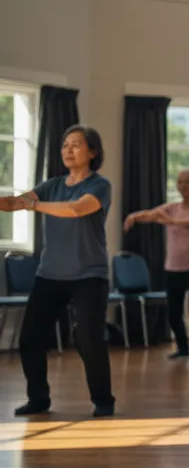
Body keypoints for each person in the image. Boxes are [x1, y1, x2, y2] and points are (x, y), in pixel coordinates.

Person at [0, 125, 116, 418]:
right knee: (30, 339)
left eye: (76, 145)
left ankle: (103, 400)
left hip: (89, 275)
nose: (68, 150)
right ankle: (38, 398)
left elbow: (77, 209)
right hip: (50, 274)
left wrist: (35, 206)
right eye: (65, 145)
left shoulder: (99, 186)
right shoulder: (50, 185)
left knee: (89, 338)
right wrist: (19, 203)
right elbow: (16, 202)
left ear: (92, 152)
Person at [123, 168, 189, 361]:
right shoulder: (172, 207)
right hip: (174, 267)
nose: (184, 186)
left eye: (188, 182)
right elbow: (151, 214)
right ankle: (183, 348)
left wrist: (171, 221)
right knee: (174, 312)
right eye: (180, 182)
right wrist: (134, 217)